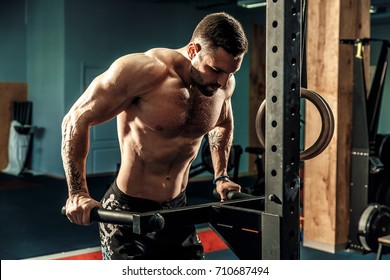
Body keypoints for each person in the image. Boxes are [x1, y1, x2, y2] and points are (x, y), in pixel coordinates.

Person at [61, 12, 248, 260]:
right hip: (127, 213)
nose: (223, 81)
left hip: (177, 210)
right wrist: (77, 193)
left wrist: (221, 176)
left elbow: (222, 123)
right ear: (193, 50)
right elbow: (76, 119)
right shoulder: (143, 71)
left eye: (230, 72)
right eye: (216, 70)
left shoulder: (224, 85)